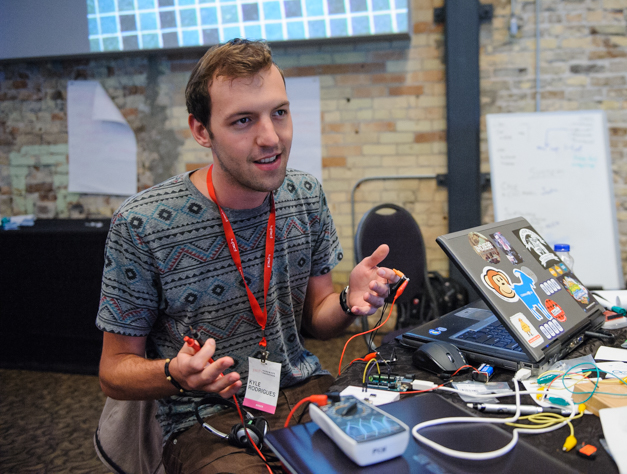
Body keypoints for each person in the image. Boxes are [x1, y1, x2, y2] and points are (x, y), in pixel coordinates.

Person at [96, 39, 400, 473]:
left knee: (389, 459)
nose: (270, 137)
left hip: (301, 388)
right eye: (243, 121)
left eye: (279, 112)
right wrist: (174, 372)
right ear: (202, 131)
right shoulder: (142, 224)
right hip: (204, 416)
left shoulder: (305, 194)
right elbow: (113, 371)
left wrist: (350, 302)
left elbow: (316, 318)